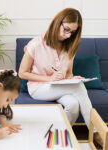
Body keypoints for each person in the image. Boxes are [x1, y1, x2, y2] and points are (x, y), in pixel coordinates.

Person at [19, 8, 103, 146]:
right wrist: (49, 79)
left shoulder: (70, 45)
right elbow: (22, 73)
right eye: (66, 29)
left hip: (59, 87)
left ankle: (54, 137)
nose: (69, 35)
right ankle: (96, 134)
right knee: (79, 88)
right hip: (39, 88)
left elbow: (68, 72)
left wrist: (72, 78)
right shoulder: (36, 44)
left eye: (73, 32)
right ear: (57, 23)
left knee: (73, 105)